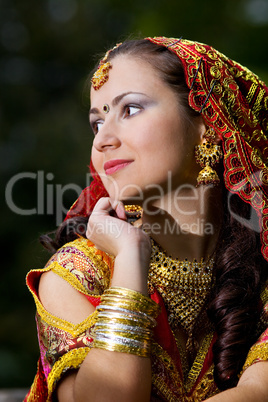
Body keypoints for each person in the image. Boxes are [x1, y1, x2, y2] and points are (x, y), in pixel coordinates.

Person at [24, 37, 268, 402]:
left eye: (131, 109)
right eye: (97, 123)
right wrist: (129, 260)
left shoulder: (261, 266)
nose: (103, 139)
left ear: (205, 121)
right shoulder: (77, 275)